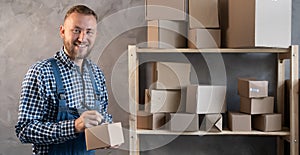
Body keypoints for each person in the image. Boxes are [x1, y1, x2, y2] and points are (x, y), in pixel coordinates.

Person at [15, 5, 112, 155]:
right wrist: (74, 126)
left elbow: (103, 115)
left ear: (95, 34)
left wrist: (107, 131)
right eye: (76, 30)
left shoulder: (97, 74)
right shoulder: (41, 72)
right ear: (62, 31)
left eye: (89, 32)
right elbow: (24, 130)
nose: (82, 38)